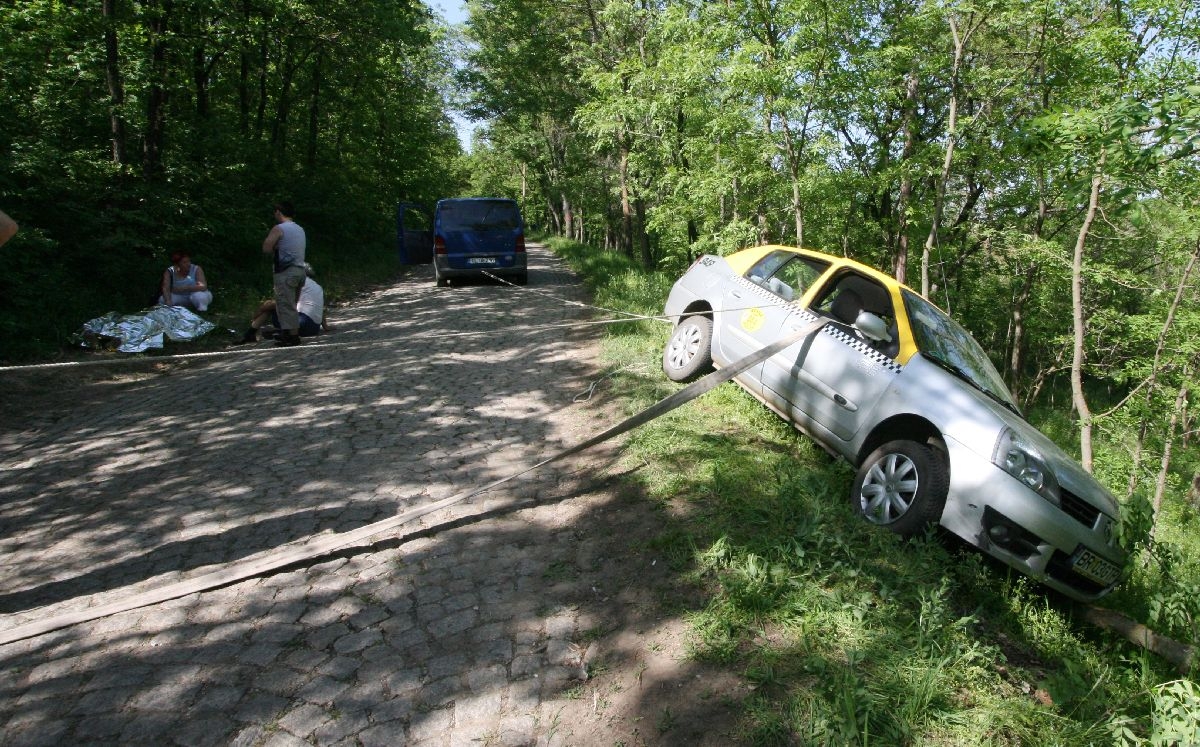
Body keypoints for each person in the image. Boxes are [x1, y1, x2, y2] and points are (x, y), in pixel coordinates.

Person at [238, 263, 329, 343]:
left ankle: (250, 333)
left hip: (302, 324)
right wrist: (325, 326)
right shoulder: (317, 286)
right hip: (314, 328)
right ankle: (278, 332)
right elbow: (319, 307)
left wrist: (257, 313)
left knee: (270, 307)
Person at [262, 201, 306, 346]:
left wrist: (275, 246)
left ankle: (291, 336)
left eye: (275, 212)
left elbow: (266, 248)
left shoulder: (279, 228)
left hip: (286, 271)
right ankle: (291, 333)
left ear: (279, 212)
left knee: (284, 304)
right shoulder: (299, 228)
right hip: (300, 270)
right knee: (292, 304)